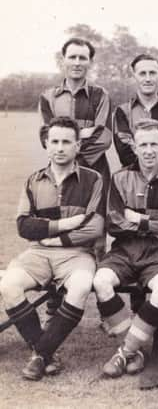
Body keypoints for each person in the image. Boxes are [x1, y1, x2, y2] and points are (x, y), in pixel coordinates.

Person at [0, 116, 104, 380]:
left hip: (77, 254)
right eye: (54, 141)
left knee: (80, 286)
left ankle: (40, 355)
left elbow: (94, 228)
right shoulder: (33, 180)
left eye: (66, 142)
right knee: (9, 285)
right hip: (38, 253)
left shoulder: (94, 180)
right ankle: (45, 352)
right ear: (46, 145)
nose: (60, 147)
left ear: (78, 146)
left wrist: (54, 237)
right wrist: (65, 224)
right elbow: (24, 226)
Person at [93, 119, 158, 378]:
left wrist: (140, 219)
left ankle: (124, 353)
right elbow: (114, 223)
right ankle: (134, 350)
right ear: (134, 146)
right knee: (101, 281)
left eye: (153, 144)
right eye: (143, 144)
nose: (148, 150)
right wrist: (154, 223)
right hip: (124, 250)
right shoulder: (120, 177)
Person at [38, 37, 112, 262]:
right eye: (72, 57)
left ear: (90, 62)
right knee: (58, 228)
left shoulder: (101, 95)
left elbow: (104, 137)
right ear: (63, 60)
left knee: (96, 234)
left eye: (83, 57)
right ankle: (55, 296)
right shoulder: (48, 97)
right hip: (59, 174)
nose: (77, 62)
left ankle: (100, 292)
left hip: (95, 171)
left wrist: (66, 142)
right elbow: (45, 137)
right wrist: (84, 132)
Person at [113, 53, 158, 170]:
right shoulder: (122, 111)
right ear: (134, 76)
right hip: (133, 180)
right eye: (142, 73)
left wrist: (139, 145)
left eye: (152, 73)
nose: (148, 79)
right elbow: (124, 152)